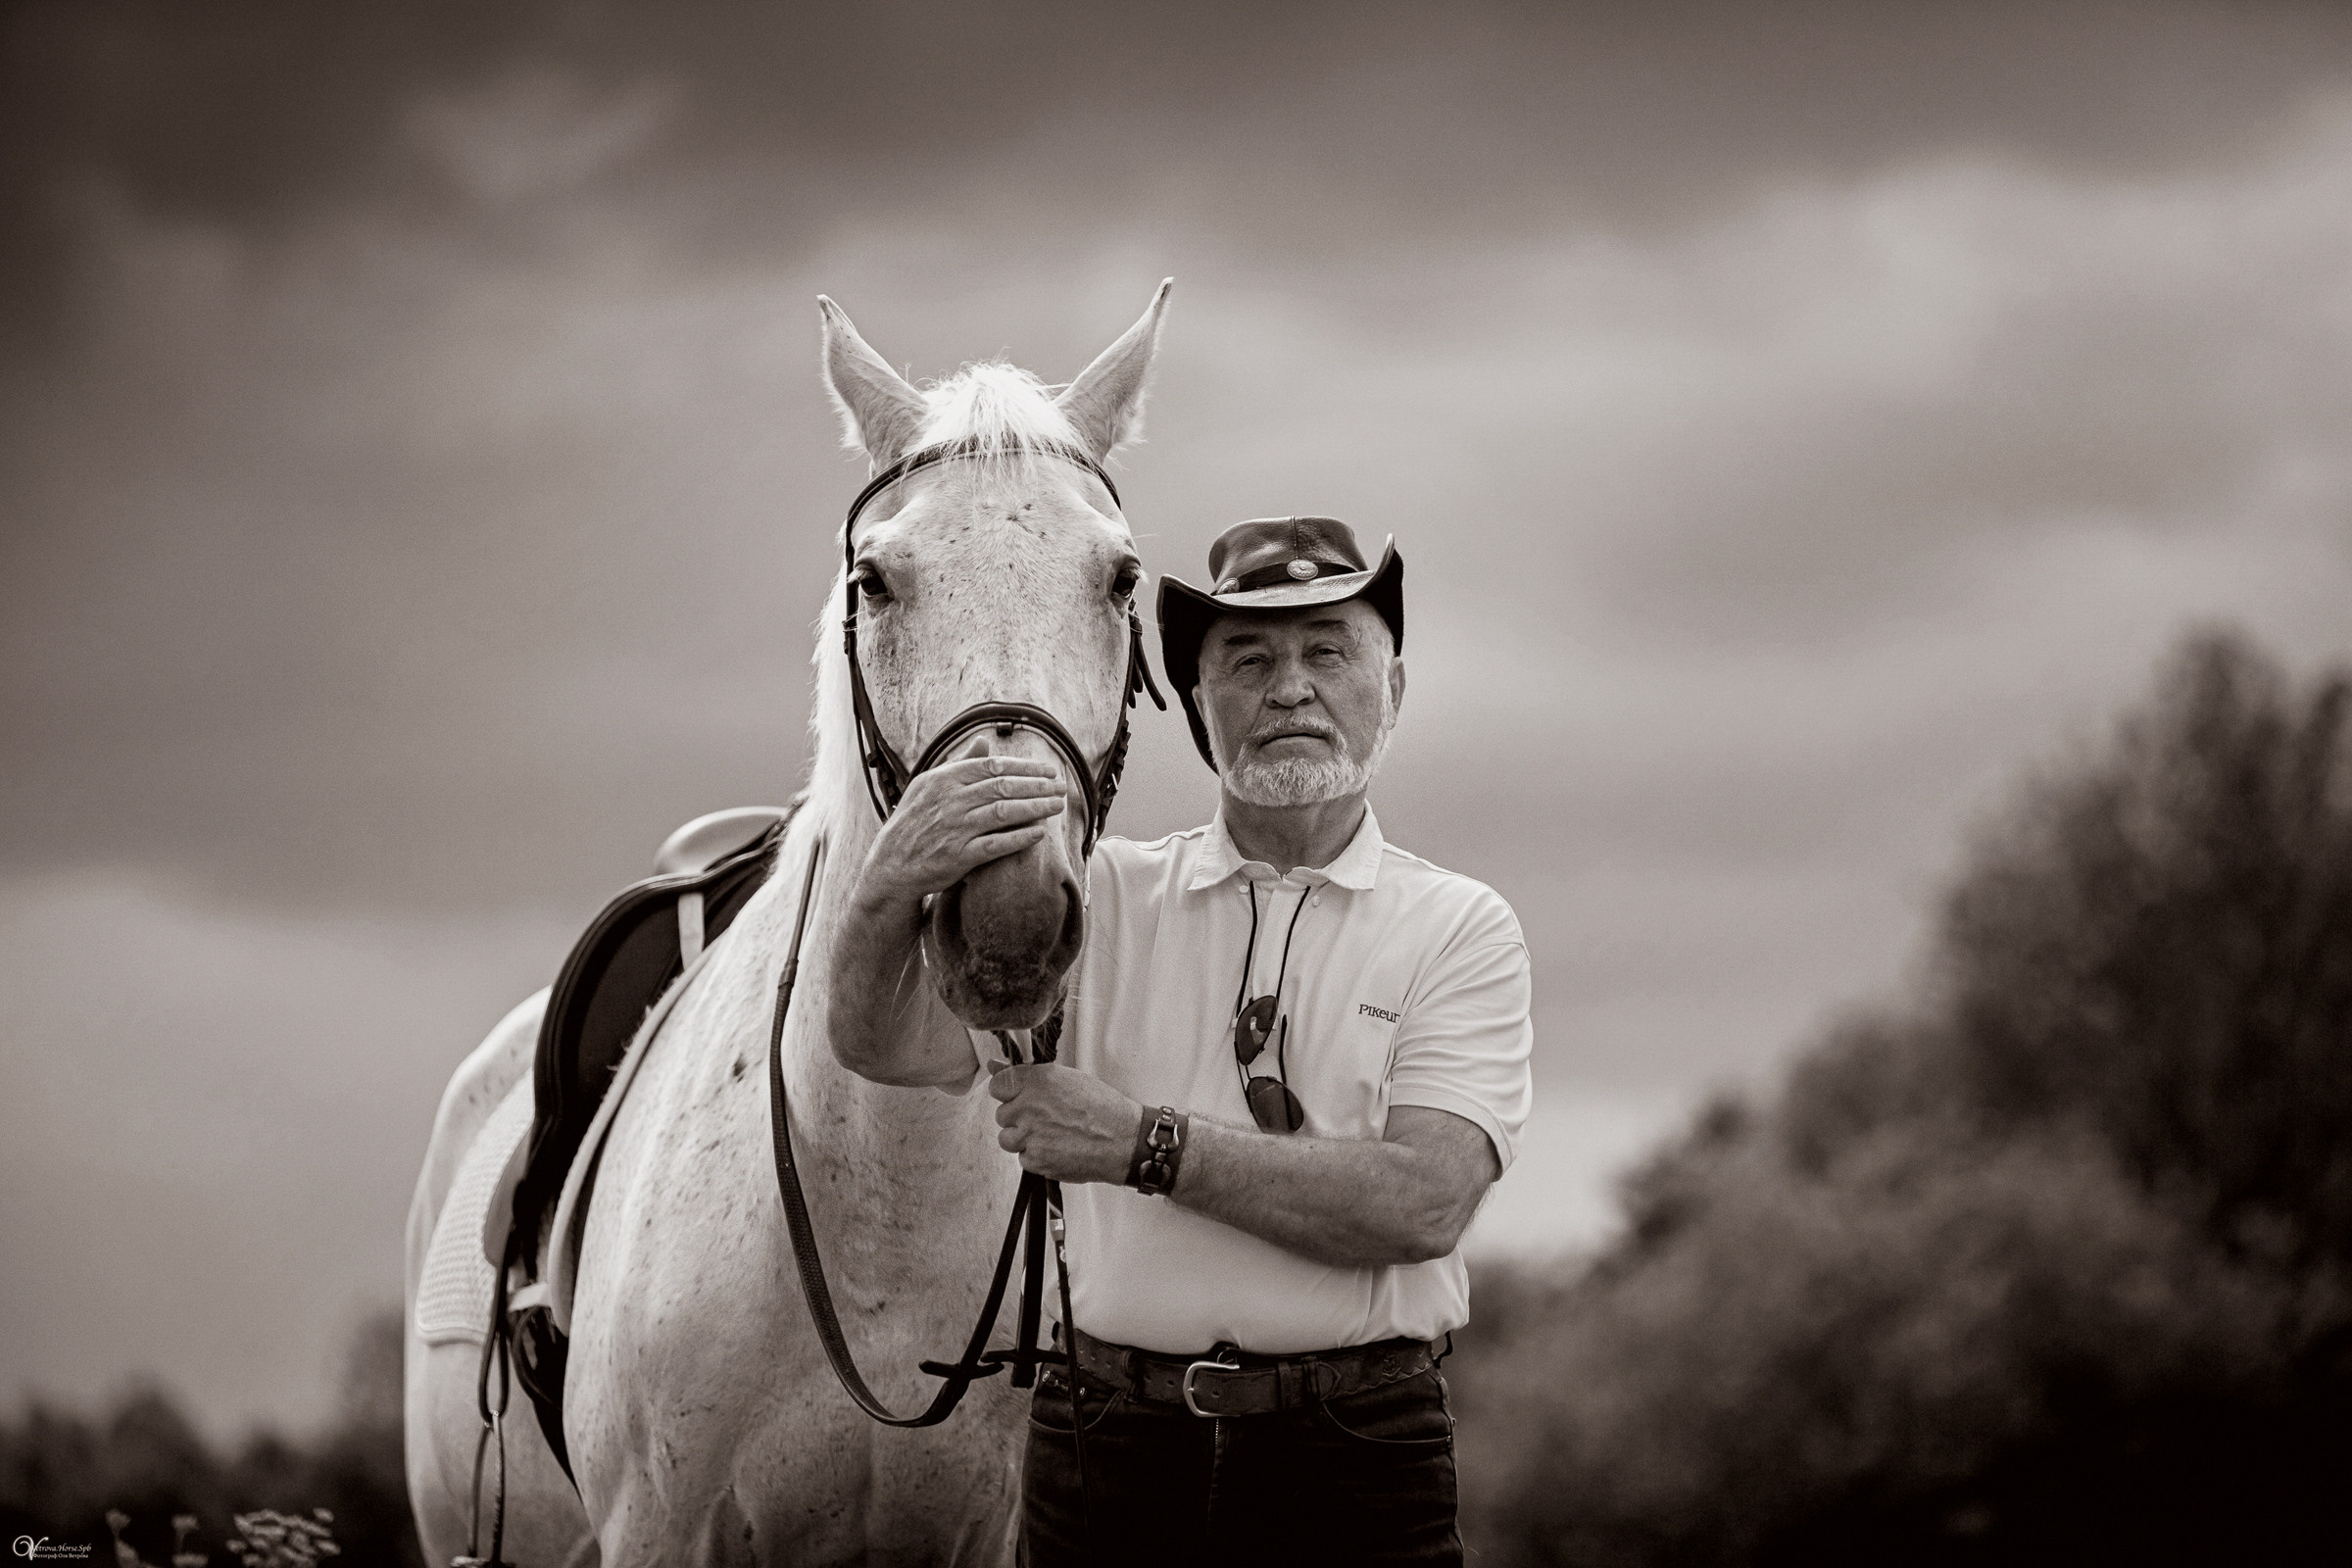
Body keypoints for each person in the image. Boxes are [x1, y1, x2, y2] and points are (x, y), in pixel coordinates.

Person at [828, 517, 1533, 1565]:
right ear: (1199, 706)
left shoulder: (1462, 925)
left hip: (1354, 1452)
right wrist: (887, 881)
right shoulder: (1096, 897)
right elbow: (885, 1046)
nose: (1290, 687)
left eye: (1327, 651)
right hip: (1105, 1446)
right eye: (1247, 659)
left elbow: (1423, 1202)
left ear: (1392, 691)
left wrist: (1140, 1144)